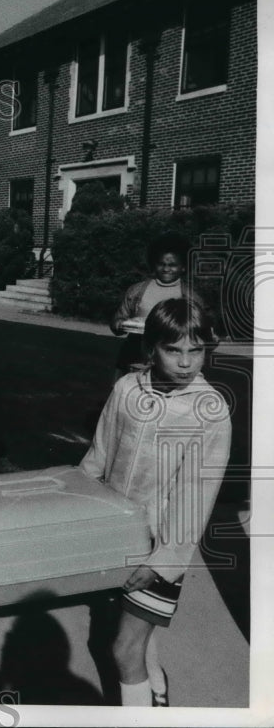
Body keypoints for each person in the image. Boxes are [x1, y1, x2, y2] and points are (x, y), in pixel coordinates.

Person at [80, 298, 231, 707]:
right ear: (151, 348)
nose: (185, 362)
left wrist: (162, 561)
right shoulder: (127, 389)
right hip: (114, 536)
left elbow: (196, 497)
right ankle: (156, 691)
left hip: (160, 548)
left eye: (195, 351)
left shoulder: (209, 412)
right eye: (173, 350)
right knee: (130, 637)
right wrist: (80, 517)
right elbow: (96, 460)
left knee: (124, 650)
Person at [110, 233, 204, 379]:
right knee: (127, 397)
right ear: (154, 264)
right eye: (162, 264)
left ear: (183, 267)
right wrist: (121, 324)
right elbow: (117, 322)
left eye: (172, 265)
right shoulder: (137, 290)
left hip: (170, 362)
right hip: (135, 359)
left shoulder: (191, 297)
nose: (166, 269)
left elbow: (201, 333)